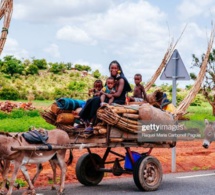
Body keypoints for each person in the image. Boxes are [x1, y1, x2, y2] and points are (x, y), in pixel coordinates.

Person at [78, 60, 132, 132]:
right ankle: (84, 120)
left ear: (119, 69)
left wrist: (106, 94)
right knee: (91, 99)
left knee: (96, 101)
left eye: (115, 68)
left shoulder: (121, 79)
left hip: (117, 99)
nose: (113, 70)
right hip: (109, 97)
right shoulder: (111, 79)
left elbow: (118, 94)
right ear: (109, 69)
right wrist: (100, 93)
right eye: (111, 68)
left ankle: (92, 124)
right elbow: (105, 90)